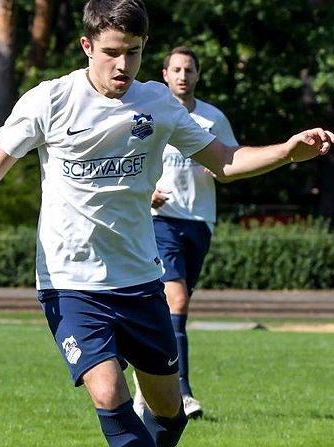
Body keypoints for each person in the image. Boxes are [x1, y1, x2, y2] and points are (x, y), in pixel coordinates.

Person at [0, 1, 334, 447]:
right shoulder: (51, 100)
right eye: (112, 52)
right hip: (70, 282)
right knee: (108, 392)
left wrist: (287, 152)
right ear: (87, 46)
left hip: (139, 281)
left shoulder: (157, 103)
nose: (123, 65)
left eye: (133, 53)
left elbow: (225, 161)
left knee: (168, 413)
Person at [133, 46, 238, 420]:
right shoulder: (150, 114)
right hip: (160, 219)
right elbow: (133, 161)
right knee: (175, 302)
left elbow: (231, 160)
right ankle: (182, 392)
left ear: (197, 75)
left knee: (173, 308)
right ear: (164, 74)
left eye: (188, 70)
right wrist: (146, 193)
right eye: (175, 69)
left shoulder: (212, 118)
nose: (182, 75)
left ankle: (145, 384)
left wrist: (220, 170)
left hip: (199, 222)